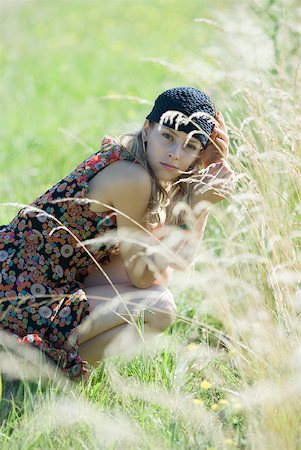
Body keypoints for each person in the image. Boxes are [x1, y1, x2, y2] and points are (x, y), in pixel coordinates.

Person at [0, 86, 235, 379]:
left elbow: (177, 260)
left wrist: (201, 190)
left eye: (190, 146)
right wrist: (198, 202)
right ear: (148, 130)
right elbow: (142, 274)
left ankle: (41, 363)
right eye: (168, 137)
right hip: (15, 295)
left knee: (158, 279)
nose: (175, 154)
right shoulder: (132, 178)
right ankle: (38, 371)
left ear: (199, 155)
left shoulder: (139, 166)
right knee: (159, 307)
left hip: (32, 281)